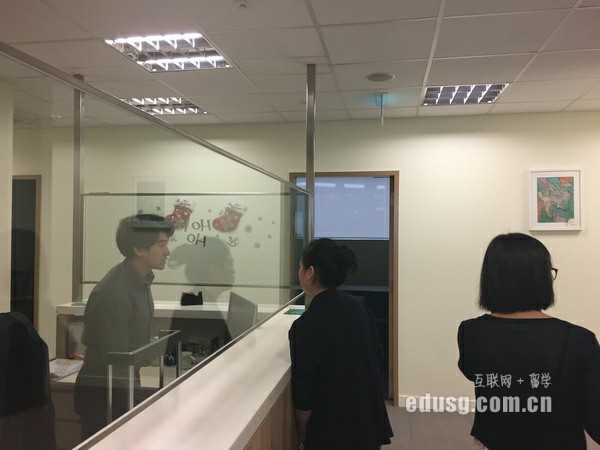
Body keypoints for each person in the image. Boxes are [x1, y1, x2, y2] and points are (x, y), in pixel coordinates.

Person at [458, 232, 600, 449]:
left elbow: (471, 372)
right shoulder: (580, 340)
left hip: (494, 441)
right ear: (541, 279)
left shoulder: (470, 332)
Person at [74, 214, 173, 440]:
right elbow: (117, 362)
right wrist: (144, 405)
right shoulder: (115, 293)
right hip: (105, 396)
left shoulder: (140, 280)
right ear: (139, 249)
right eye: (161, 245)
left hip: (122, 387)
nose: (167, 252)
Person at [289, 238, 393, 450]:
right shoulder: (358, 306)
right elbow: (377, 355)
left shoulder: (305, 325)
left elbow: (304, 393)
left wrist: (301, 431)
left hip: (332, 431)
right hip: (368, 422)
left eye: (300, 267)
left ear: (310, 272)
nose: (299, 272)